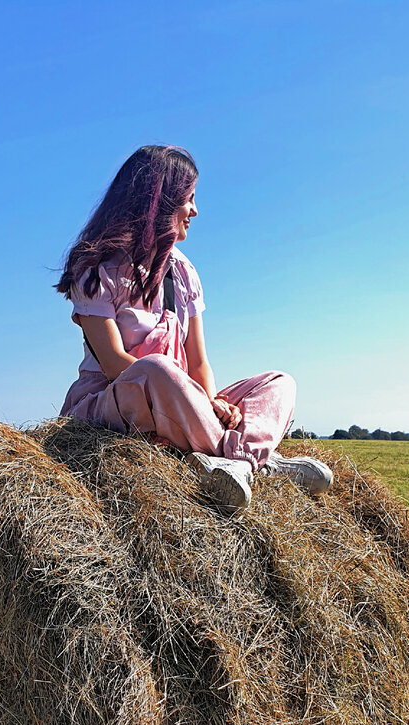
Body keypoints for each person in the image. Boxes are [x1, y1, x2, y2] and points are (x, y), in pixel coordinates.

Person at [56, 145, 332, 515]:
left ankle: (238, 464)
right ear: (159, 200)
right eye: (189, 199)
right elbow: (115, 364)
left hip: (183, 402)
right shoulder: (97, 269)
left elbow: (199, 363)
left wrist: (213, 401)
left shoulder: (183, 273)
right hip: (114, 402)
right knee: (156, 368)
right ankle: (260, 463)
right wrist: (194, 398)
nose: (195, 210)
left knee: (280, 383)